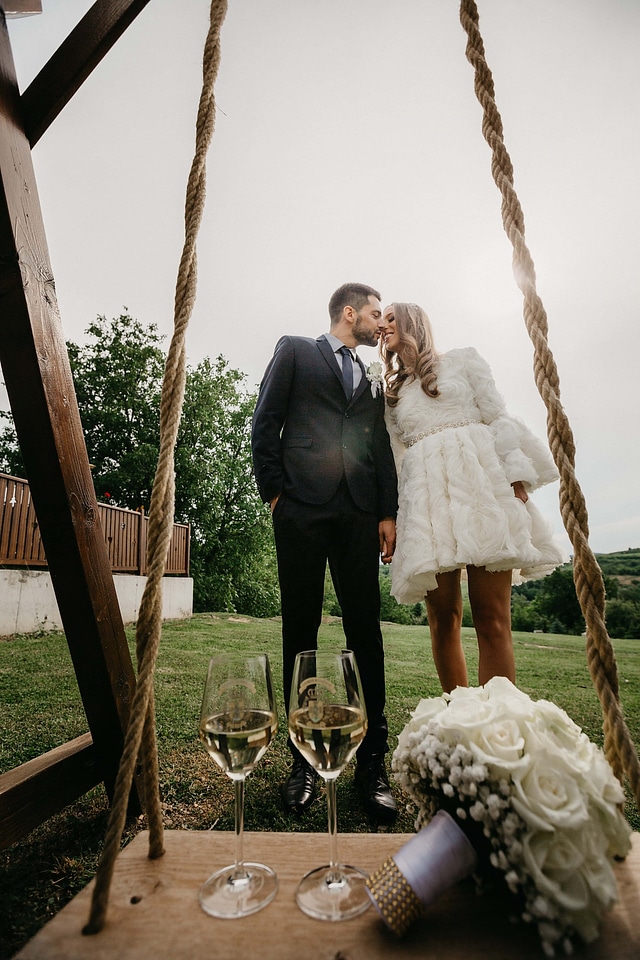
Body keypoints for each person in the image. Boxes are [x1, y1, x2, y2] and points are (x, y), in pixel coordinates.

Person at [251, 283, 399, 824]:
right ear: (350, 311)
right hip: (301, 511)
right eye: (376, 313)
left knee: (366, 631)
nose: (381, 323)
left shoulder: (373, 376)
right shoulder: (295, 349)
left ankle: (372, 767)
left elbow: (379, 448)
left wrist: (387, 512)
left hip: (359, 514)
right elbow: (263, 424)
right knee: (300, 630)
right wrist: (276, 494)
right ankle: (302, 763)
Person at [379, 302, 565, 693]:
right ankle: (458, 717)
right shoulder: (391, 394)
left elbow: (497, 416)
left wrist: (516, 476)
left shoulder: (464, 361)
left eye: (391, 318)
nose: (383, 325)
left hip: (481, 487)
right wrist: (397, 517)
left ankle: (500, 719)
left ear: (413, 322)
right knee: (443, 619)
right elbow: (396, 458)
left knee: (491, 617)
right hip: (427, 499)